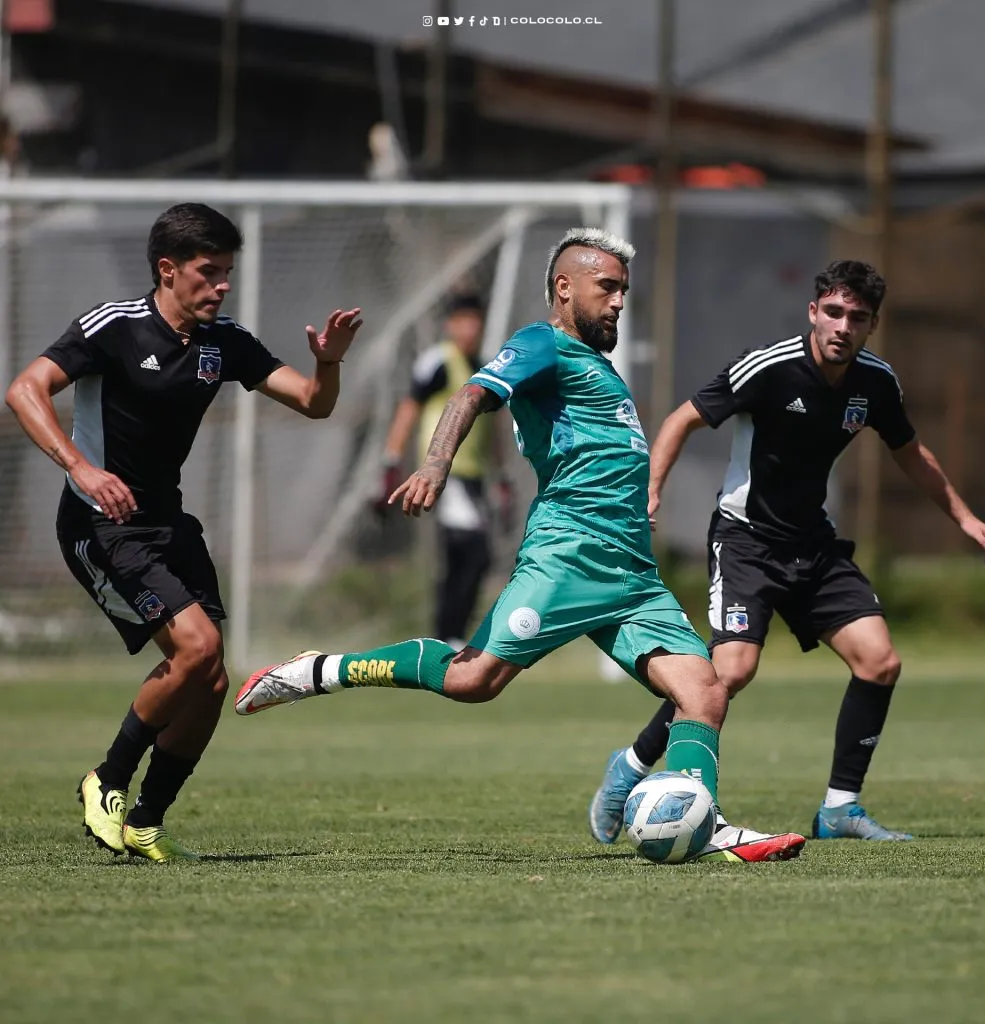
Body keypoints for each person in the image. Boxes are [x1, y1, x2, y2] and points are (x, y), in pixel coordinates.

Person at [235, 227, 805, 864]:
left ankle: (708, 824)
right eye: (607, 288)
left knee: (704, 690)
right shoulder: (543, 344)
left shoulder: (600, 370)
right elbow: (472, 394)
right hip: (567, 555)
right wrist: (432, 465)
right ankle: (319, 669)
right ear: (565, 289)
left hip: (631, 573)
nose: (620, 302)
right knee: (473, 680)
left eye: (624, 290)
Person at [588, 259, 985, 846]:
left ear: (871, 325)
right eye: (833, 312)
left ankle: (840, 809)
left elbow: (909, 450)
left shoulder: (876, 382)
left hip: (814, 545)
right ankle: (630, 767)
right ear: (814, 312)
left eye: (856, 318)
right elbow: (683, 419)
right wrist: (651, 487)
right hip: (746, 542)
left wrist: (963, 518)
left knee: (879, 661)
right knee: (730, 671)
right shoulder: (770, 368)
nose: (842, 326)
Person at [5, 203, 363, 862]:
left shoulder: (222, 342)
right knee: (197, 650)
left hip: (168, 523)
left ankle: (145, 820)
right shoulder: (112, 327)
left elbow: (314, 404)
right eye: (208, 272)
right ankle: (106, 780)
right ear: (167, 270)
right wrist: (82, 469)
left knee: (212, 681)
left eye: (227, 272)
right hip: (101, 524)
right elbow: (25, 389)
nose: (221, 285)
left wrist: (330, 363)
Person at [376, 294, 509, 648]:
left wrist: (502, 476)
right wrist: (392, 461)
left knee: (465, 555)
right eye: (463, 320)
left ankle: (447, 635)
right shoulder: (436, 362)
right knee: (474, 551)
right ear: (450, 325)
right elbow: (408, 409)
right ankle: (449, 634)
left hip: (475, 477)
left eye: (476, 320)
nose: (471, 328)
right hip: (445, 477)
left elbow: (492, 428)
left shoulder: (483, 367)